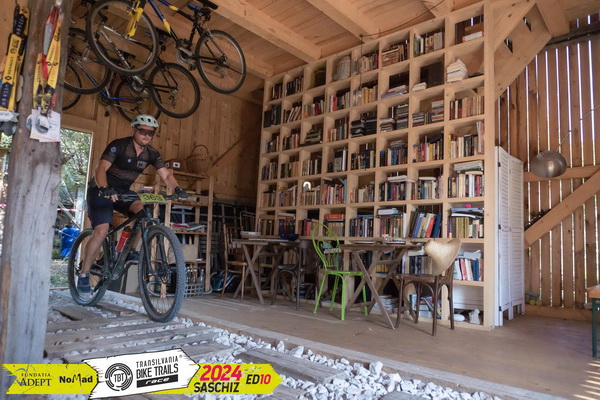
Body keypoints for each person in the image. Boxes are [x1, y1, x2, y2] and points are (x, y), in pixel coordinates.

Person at [77, 114, 188, 293]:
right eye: (143, 131)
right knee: (102, 230)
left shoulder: (151, 153)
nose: (147, 135)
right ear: (134, 130)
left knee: (143, 213)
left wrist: (177, 189)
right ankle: (84, 273)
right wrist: (105, 188)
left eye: (151, 133)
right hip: (101, 189)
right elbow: (101, 168)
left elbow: (166, 175)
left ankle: (129, 251)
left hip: (123, 191)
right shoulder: (119, 145)